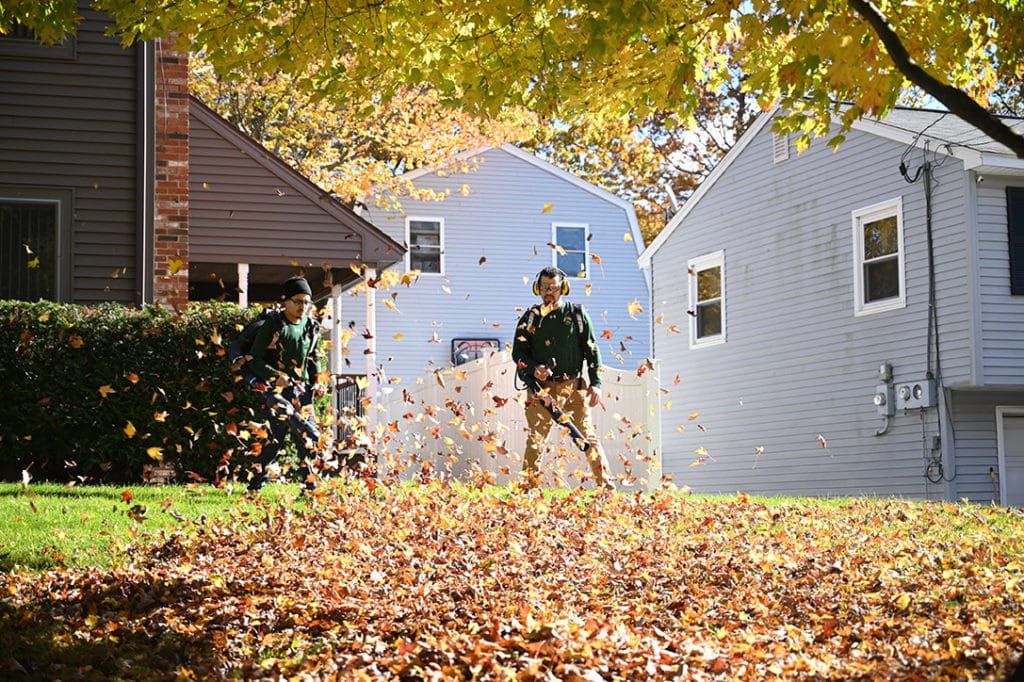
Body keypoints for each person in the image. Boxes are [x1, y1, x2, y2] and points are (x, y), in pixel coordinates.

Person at [512, 266, 615, 490]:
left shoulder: (577, 315)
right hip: (540, 389)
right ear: (537, 288)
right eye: (544, 288)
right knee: (536, 439)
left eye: (554, 288)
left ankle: (607, 489)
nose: (549, 292)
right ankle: (528, 491)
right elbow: (518, 353)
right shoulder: (530, 317)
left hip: (573, 388)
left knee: (587, 437)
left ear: (564, 288)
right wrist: (534, 368)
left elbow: (592, 350)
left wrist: (596, 383)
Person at [246, 276, 326, 491]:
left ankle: (310, 487)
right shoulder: (274, 324)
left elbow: (314, 357)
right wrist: (274, 376)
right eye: (297, 301)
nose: (302, 307)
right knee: (274, 441)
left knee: (307, 439)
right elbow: (254, 359)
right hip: (277, 394)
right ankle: (255, 485)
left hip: (303, 392)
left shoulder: (311, 326)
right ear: (286, 302)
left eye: (306, 302)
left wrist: (318, 381)